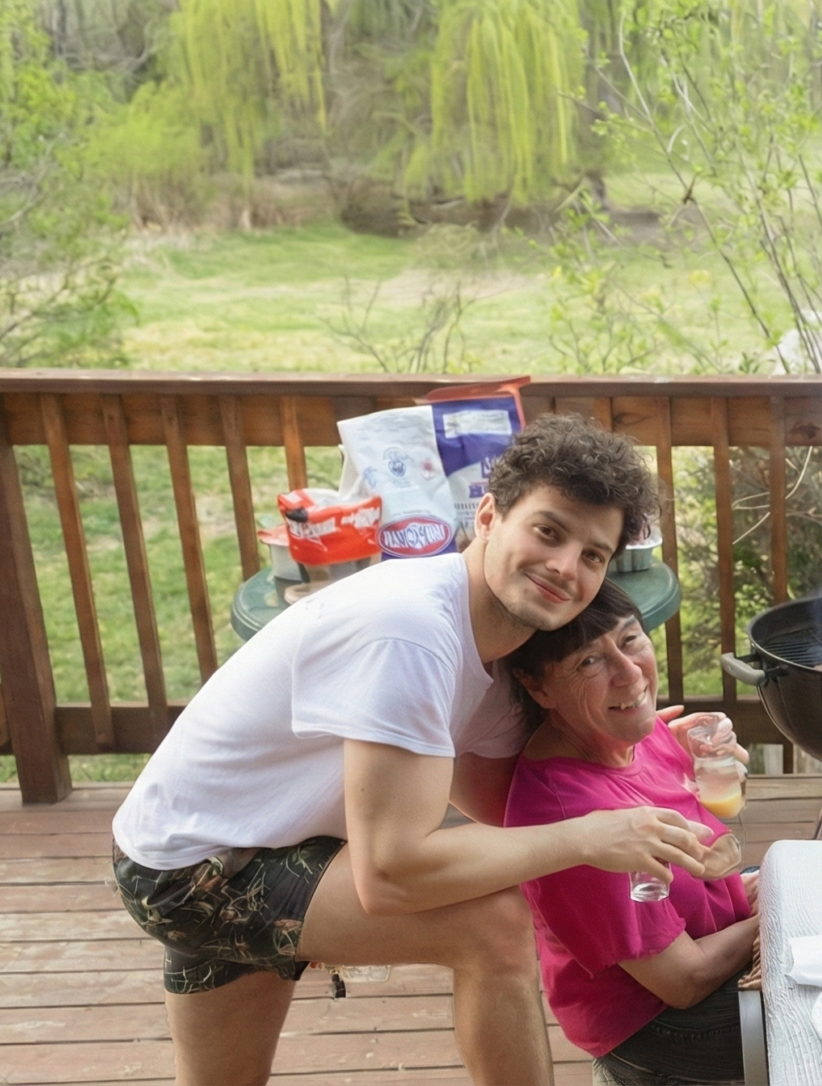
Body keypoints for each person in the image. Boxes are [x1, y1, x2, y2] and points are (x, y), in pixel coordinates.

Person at [110, 414, 728, 1086]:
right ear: (488, 516)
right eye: (548, 531)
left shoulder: (499, 650)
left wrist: (661, 752)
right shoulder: (410, 631)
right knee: (492, 925)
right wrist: (588, 834)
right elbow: (393, 872)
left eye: (592, 555)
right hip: (195, 867)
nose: (563, 567)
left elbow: (516, 803)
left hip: (248, 838)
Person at [504, 580, 759, 1086]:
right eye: (587, 662)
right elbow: (683, 982)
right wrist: (777, 914)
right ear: (538, 687)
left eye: (630, 640)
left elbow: (705, 838)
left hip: (710, 936)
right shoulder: (574, 819)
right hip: (661, 1026)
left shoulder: (629, 732)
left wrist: (701, 763)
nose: (629, 674)